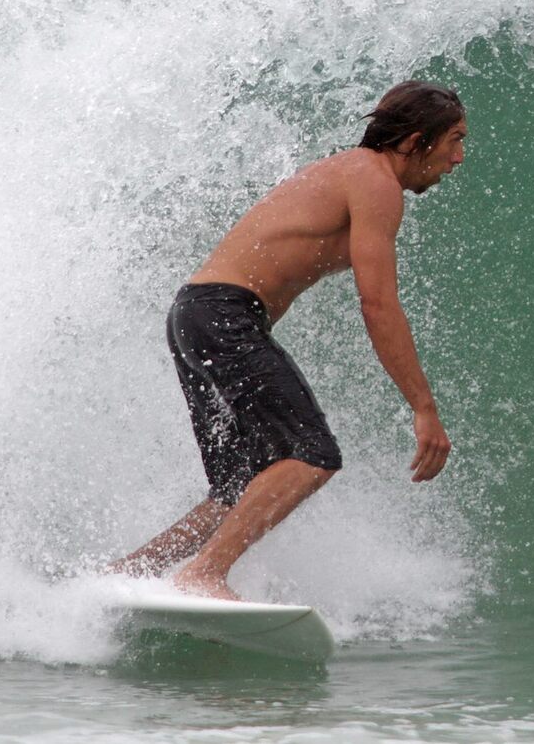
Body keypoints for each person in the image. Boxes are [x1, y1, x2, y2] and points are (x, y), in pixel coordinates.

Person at [106, 81, 465, 600]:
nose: (458, 158)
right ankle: (203, 575)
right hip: (225, 315)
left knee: (239, 488)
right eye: (453, 140)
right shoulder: (374, 180)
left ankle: (128, 574)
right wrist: (423, 408)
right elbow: (378, 303)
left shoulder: (351, 172)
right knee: (310, 455)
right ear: (415, 141)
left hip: (195, 314)